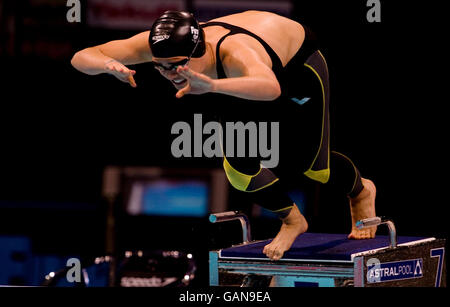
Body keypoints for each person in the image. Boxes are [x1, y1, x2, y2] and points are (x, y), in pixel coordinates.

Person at [71, 10, 377, 261]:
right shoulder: (161, 49)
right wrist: (107, 65)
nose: (170, 75)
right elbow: (82, 56)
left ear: (197, 51)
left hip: (297, 69)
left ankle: (360, 191)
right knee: (238, 169)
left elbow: (270, 88)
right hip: (228, 80)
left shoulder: (234, 50)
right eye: (160, 68)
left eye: (176, 66)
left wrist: (213, 87)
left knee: (312, 166)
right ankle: (292, 220)